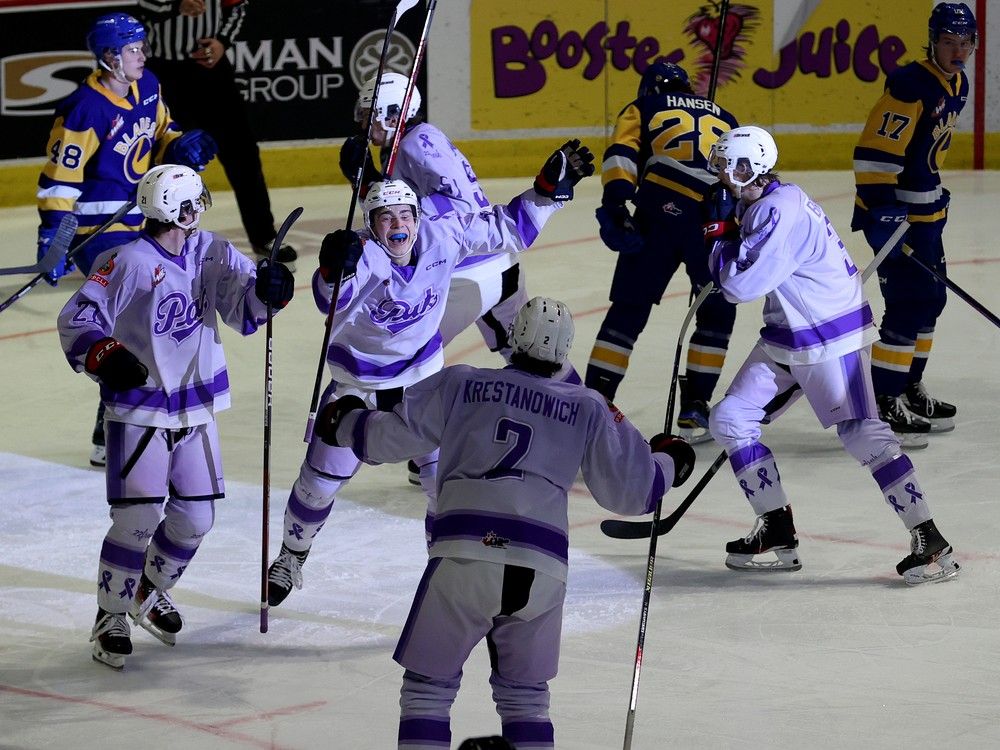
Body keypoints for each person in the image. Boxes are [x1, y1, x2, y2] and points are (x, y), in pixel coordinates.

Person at [313, 296, 696, 750]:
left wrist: (346, 423)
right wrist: (671, 460)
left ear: (513, 340)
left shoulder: (461, 383)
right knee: (527, 699)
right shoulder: (588, 406)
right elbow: (634, 491)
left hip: (465, 557)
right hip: (542, 570)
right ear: (564, 351)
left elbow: (389, 437)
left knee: (427, 691)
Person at [265, 141, 595, 608]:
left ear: (418, 217)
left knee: (445, 490)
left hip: (424, 385)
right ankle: (292, 554)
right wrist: (328, 270)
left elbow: (506, 228)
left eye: (405, 215)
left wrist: (545, 191)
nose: (398, 226)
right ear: (371, 225)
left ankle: (444, 571)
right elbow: (329, 301)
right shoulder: (363, 256)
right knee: (318, 482)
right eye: (386, 218)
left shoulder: (445, 235)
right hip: (359, 389)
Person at [56, 164, 295, 670]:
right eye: (193, 204)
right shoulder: (127, 261)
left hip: (198, 405)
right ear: (175, 209)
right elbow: (78, 317)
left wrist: (273, 289)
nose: (199, 211)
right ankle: (110, 615)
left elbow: (244, 310)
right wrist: (102, 353)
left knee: (196, 517)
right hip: (140, 411)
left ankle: (145, 588)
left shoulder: (211, 250)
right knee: (138, 519)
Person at [705, 125, 960, 585]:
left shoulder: (776, 211)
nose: (723, 173)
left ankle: (930, 539)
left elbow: (736, 286)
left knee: (863, 435)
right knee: (729, 419)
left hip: (827, 337)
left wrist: (718, 239)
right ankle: (777, 529)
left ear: (755, 167)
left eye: (732, 165)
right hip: (789, 334)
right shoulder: (763, 201)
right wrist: (729, 228)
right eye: (721, 164)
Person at [340, 72, 581, 482]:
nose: (362, 123)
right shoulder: (410, 144)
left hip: (468, 272)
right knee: (532, 356)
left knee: (408, 351)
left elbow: (458, 204)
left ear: (391, 112)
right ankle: (585, 427)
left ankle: (419, 445)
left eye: (368, 114)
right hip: (494, 263)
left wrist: (375, 188)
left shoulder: (416, 143)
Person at [37, 11, 218, 469]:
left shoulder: (149, 85)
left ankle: (117, 421)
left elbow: (160, 136)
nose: (143, 55)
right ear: (109, 58)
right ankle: (115, 425)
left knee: (143, 322)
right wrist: (53, 240)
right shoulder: (84, 107)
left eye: (142, 47)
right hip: (94, 231)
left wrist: (179, 147)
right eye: (134, 49)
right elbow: (60, 181)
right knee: (133, 319)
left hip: (141, 215)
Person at [586, 61, 740, 442]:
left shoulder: (644, 107)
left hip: (659, 208)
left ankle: (595, 402)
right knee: (716, 313)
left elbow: (621, 153)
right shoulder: (726, 116)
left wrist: (617, 205)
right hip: (713, 215)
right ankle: (696, 406)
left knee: (628, 310)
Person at [852, 2, 977, 446]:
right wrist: (882, 211)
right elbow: (872, 154)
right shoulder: (911, 85)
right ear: (933, 40)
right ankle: (882, 400)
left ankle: (907, 385)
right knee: (908, 303)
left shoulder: (956, 82)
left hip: (927, 214)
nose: (957, 51)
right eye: (948, 42)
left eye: (965, 43)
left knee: (932, 301)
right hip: (897, 217)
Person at [135, 0, 297, 268]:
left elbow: (237, 5)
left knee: (243, 154)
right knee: (165, 161)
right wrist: (177, 7)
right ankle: (159, 244)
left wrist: (222, 41)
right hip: (165, 72)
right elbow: (142, 8)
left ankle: (264, 238)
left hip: (212, 71)